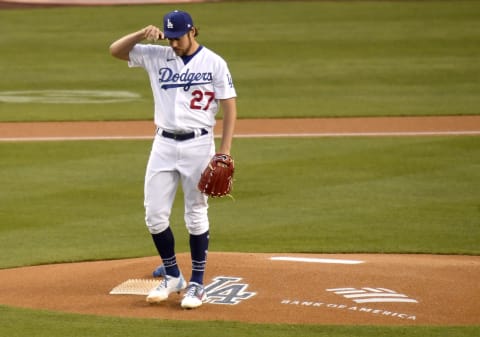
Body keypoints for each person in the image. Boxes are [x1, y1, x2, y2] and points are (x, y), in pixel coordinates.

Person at [109, 10, 237, 309]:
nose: (173, 43)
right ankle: (173, 275)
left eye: (178, 37)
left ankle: (197, 284)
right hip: (163, 144)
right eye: (169, 37)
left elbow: (230, 106)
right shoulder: (156, 55)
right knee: (154, 215)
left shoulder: (214, 62)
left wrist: (225, 150)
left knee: (195, 213)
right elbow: (115, 50)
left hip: (199, 144)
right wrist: (141, 33)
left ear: (193, 31)